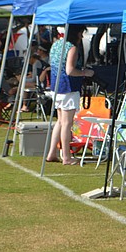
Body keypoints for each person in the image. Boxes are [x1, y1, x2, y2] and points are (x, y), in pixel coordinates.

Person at [46, 25, 94, 165]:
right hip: (68, 87)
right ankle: (66, 156)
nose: (82, 37)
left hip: (56, 86)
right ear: (77, 33)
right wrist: (86, 72)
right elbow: (70, 70)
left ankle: (52, 153)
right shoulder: (72, 48)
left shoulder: (56, 45)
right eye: (81, 34)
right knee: (67, 123)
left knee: (60, 122)